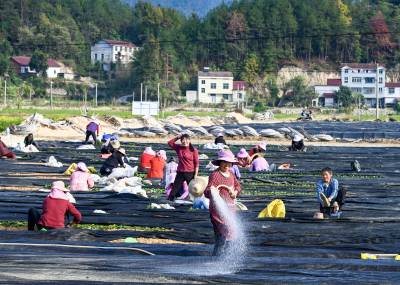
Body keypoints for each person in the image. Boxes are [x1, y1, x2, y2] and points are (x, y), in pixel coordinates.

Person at [204, 149, 241, 256]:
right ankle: (217, 259)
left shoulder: (231, 174)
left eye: (229, 163)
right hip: (217, 212)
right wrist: (212, 190)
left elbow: (238, 186)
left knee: (231, 233)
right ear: (220, 162)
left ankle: (227, 256)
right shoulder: (215, 175)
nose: (227, 165)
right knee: (222, 236)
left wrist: (235, 192)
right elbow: (206, 192)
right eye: (224, 162)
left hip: (230, 209)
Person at [168, 134, 199, 201]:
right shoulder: (178, 148)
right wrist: (177, 137)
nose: (185, 141)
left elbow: (196, 163)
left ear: (189, 140)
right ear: (181, 141)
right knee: (175, 189)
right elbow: (170, 143)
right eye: (183, 140)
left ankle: (197, 202)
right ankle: (169, 201)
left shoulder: (193, 150)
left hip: (190, 173)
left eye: (187, 139)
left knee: (193, 189)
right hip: (180, 172)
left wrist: (195, 175)